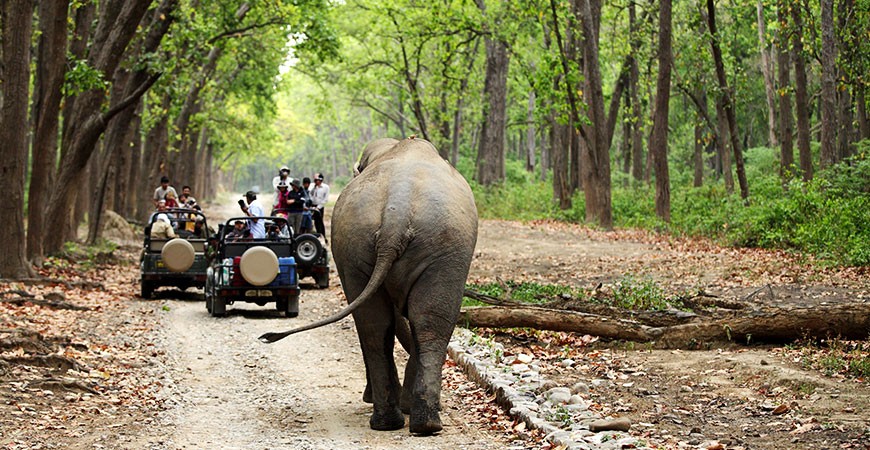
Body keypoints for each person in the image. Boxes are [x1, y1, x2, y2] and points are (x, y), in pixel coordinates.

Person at [309, 173, 330, 241]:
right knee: (311, 222)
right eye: (315, 180)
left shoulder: (325, 187)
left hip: (319, 206)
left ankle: (322, 236)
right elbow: (309, 194)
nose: (316, 181)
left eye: (317, 180)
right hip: (312, 205)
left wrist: (318, 207)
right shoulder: (312, 186)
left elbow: (325, 199)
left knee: (319, 222)